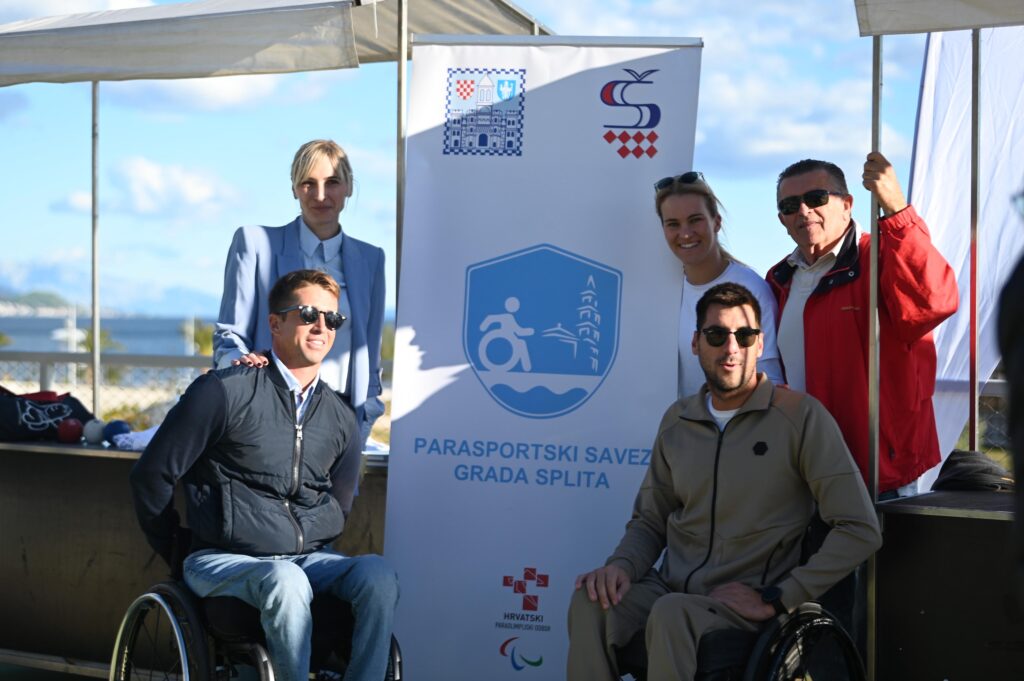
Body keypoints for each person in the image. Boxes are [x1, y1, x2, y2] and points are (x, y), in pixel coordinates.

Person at [566, 282, 881, 681]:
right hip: (672, 591)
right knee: (591, 603)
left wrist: (780, 597)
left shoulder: (800, 417)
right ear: (696, 342)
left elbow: (860, 529)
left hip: (746, 605)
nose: (731, 348)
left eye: (744, 335)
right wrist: (621, 566)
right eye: (716, 335)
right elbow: (650, 521)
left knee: (671, 614)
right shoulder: (677, 420)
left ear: (760, 343)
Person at [131, 269, 399, 681]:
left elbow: (340, 503)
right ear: (275, 324)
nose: (321, 326)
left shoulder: (341, 416)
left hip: (306, 560)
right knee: (286, 579)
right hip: (222, 559)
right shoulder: (224, 392)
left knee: (378, 575)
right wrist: (177, 549)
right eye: (308, 314)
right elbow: (152, 475)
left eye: (332, 318)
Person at [766, 152, 958, 498]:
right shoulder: (780, 279)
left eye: (816, 198)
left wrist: (897, 210)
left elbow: (934, 301)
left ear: (847, 205)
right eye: (790, 205)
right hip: (806, 468)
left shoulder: (882, 256)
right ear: (781, 219)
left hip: (878, 471)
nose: (804, 211)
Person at [214, 139, 386, 444]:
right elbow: (229, 339)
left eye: (332, 182)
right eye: (308, 183)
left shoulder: (371, 260)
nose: (320, 195)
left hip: (341, 424)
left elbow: (370, 356)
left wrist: (361, 425)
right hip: (265, 417)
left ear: (348, 187)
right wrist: (244, 373)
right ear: (294, 188)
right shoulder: (254, 244)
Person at [654, 171, 783, 397]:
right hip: (681, 419)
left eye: (695, 220)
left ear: (716, 222)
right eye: (673, 224)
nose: (686, 234)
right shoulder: (659, 292)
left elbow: (770, 380)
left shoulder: (751, 289)